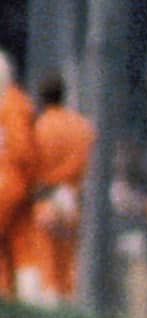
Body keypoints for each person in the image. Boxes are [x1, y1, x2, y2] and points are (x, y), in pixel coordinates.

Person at [15, 75, 96, 305]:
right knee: (68, 269)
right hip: (71, 201)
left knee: (46, 270)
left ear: (41, 98)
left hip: (45, 201)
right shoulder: (82, 127)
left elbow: (30, 165)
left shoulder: (39, 128)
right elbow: (87, 160)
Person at [0, 52, 39, 301]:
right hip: (15, 182)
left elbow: (22, 151)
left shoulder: (12, 105)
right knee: (19, 246)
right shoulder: (13, 103)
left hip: (9, 181)